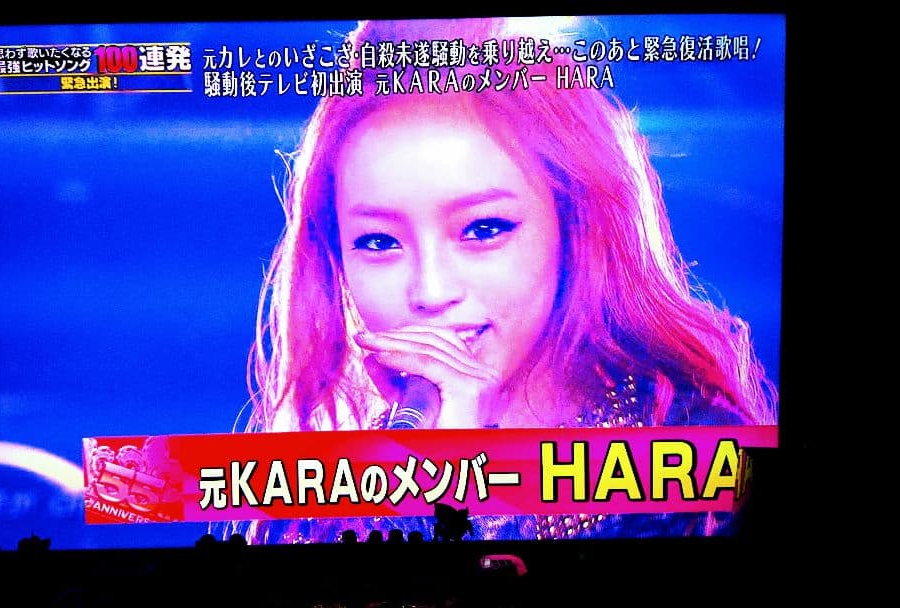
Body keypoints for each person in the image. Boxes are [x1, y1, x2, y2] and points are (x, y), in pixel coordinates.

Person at [227, 17, 778, 544]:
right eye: (379, 242)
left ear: (573, 226)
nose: (431, 292)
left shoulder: (699, 458)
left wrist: (465, 488)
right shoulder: (318, 501)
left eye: (483, 229)